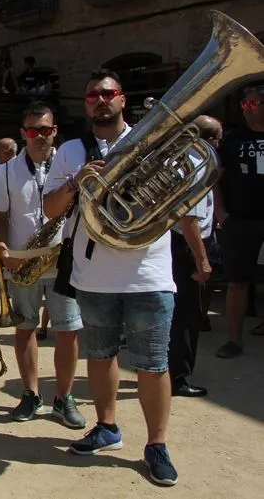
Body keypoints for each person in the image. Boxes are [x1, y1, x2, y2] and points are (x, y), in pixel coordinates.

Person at [43, 70, 179, 486]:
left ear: (122, 98)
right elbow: (50, 210)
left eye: (108, 93)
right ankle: (107, 427)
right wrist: (76, 181)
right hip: (94, 274)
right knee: (100, 357)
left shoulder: (153, 140)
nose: (101, 100)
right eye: (92, 96)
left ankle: (157, 444)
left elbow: (176, 195)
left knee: (152, 364)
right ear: (86, 104)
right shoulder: (70, 151)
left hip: (147, 272)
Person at [0, 102, 85, 428]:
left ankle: (63, 397)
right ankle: (31, 394)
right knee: (25, 328)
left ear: (55, 131)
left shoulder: (72, 166)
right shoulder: (5, 171)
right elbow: (0, 216)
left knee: (68, 332)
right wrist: (4, 248)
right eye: (33, 131)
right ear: (23, 133)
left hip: (63, 261)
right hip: (24, 263)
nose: (40, 136)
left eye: (46, 130)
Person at [167, 115, 218, 396]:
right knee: (186, 314)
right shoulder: (196, 165)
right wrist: (202, 258)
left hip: (176, 242)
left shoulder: (177, 161)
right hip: (186, 245)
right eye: (217, 140)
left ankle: (167, 371)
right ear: (209, 140)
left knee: (175, 311)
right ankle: (179, 377)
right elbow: (189, 220)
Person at [214, 83, 264, 358]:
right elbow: (214, 179)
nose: (247, 109)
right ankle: (234, 339)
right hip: (241, 219)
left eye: (253, 104)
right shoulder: (233, 140)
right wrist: (221, 212)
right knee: (238, 281)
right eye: (244, 105)